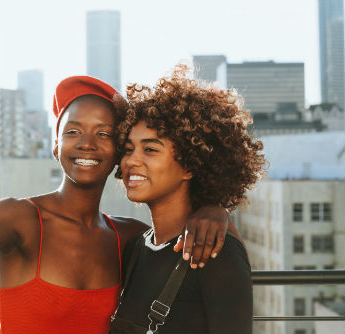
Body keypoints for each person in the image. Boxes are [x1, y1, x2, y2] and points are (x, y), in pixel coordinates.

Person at [0, 74, 235, 333]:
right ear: (55, 146)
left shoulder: (131, 237)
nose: (86, 143)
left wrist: (214, 208)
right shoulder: (18, 219)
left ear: (119, 152)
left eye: (103, 133)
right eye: (72, 131)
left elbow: (201, 270)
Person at [109, 65, 266, 334]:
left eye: (150, 149)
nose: (131, 160)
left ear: (190, 165)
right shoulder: (137, 247)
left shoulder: (217, 254)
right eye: (127, 149)